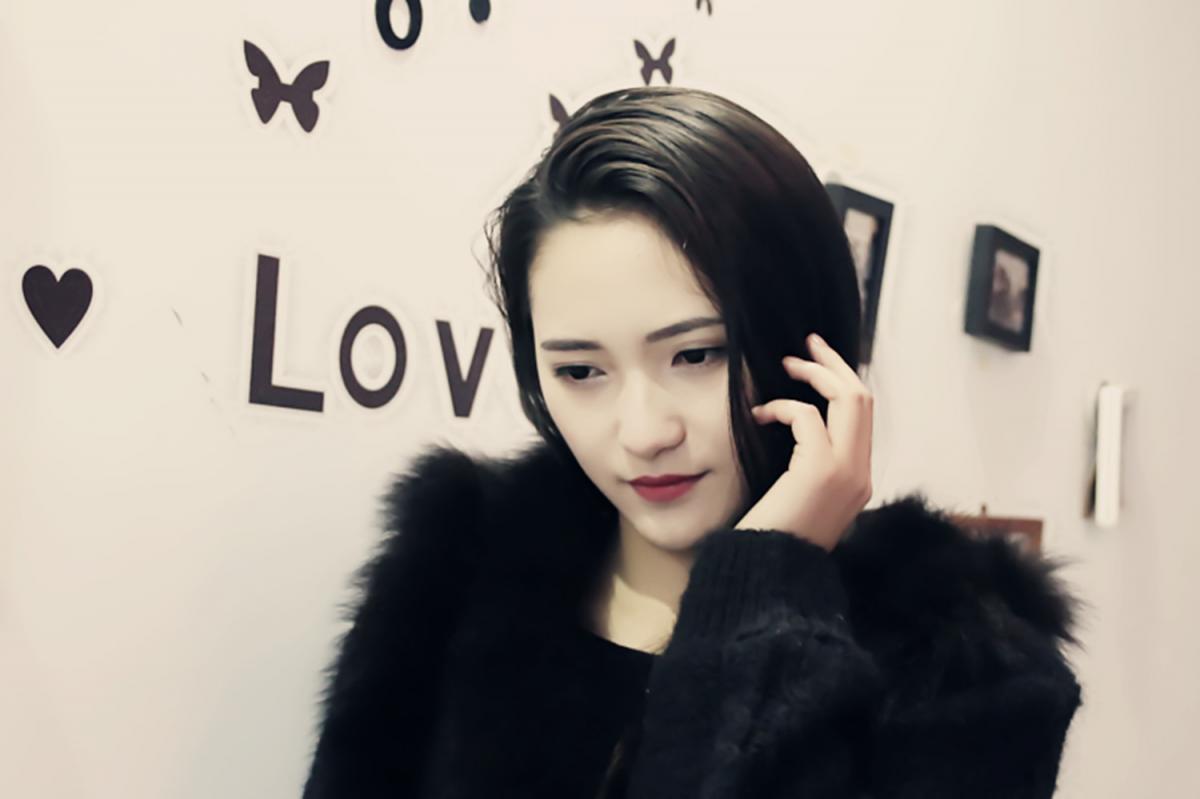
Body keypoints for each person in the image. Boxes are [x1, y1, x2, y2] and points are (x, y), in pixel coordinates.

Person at [300, 86, 1084, 798]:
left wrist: (763, 585)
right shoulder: (458, 566)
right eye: (580, 370)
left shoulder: (966, 669)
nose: (644, 432)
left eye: (697, 355)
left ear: (807, 342)